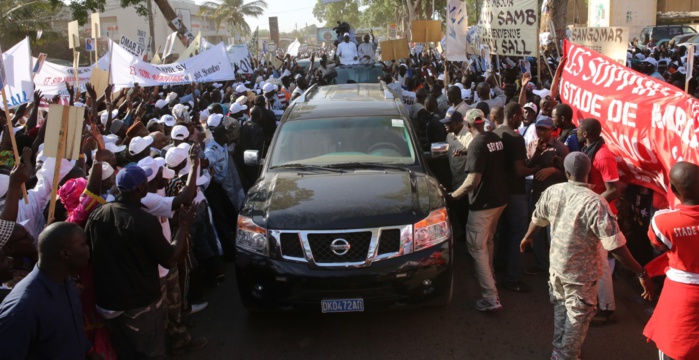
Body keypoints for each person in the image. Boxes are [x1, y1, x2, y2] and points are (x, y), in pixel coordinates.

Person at [520, 152, 652, 360]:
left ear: (568, 172)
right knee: (578, 317)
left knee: (562, 308)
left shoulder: (553, 191)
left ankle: (560, 348)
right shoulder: (596, 203)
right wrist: (641, 272)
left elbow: (538, 218)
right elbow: (616, 247)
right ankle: (565, 354)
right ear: (588, 172)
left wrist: (527, 238)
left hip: (557, 268)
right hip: (581, 276)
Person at [86, 165, 198, 359]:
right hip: (138, 305)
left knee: (124, 351)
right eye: (145, 182)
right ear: (140, 189)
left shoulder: (98, 214)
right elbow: (170, 259)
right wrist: (184, 225)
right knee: (151, 352)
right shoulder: (144, 221)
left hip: (108, 304)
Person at [0, 221, 99, 359]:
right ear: (65, 254)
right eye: (83, 244)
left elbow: (68, 333)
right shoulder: (23, 306)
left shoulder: (66, 283)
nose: (88, 249)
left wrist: (89, 352)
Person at [447, 109, 508, 312]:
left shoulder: (476, 144)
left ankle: (491, 297)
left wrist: (453, 196)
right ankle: (490, 276)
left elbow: (473, 180)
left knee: (476, 246)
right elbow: (489, 157)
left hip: (483, 204)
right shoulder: (494, 137)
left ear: (469, 125)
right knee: (488, 241)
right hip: (500, 200)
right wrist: (467, 153)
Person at [643, 162, 699, 360]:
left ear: (673, 190)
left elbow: (657, 245)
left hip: (679, 297)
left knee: (673, 348)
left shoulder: (661, 221)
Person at [579, 118, 620, 326]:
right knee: (595, 262)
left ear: (586, 133)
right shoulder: (589, 151)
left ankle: (606, 307)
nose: (576, 131)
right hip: (593, 213)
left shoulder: (603, 155)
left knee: (602, 264)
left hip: (602, 216)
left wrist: (593, 203)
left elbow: (613, 188)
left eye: (579, 129)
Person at [493, 103, 538, 292]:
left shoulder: (496, 134)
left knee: (503, 232)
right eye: (520, 116)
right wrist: (537, 168)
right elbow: (520, 170)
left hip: (500, 192)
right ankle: (512, 279)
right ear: (513, 117)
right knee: (517, 235)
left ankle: (499, 266)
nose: (522, 120)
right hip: (516, 193)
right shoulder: (515, 138)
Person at [525, 116, 569, 276]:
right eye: (539, 129)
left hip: (555, 199)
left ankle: (557, 268)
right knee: (537, 231)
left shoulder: (561, 148)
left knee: (554, 235)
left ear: (552, 130)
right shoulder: (532, 145)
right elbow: (527, 166)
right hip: (537, 195)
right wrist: (536, 152)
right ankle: (542, 264)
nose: (541, 132)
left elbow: (570, 175)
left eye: (545, 129)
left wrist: (554, 170)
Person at [441, 109, 472, 243]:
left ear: (459, 123)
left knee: (466, 212)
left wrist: (464, 153)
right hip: (455, 180)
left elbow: (475, 152)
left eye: (450, 123)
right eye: (446, 123)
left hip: (466, 184)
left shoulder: (468, 136)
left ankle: (468, 238)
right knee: (459, 211)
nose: (446, 126)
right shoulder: (449, 136)